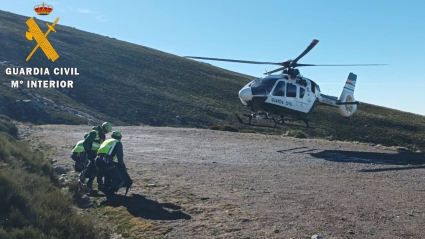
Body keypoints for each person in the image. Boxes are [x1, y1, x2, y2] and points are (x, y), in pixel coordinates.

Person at [95, 131, 132, 200]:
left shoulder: (107, 141)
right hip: (106, 160)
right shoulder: (117, 143)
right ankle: (111, 191)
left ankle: (107, 192)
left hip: (97, 159)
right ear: (120, 138)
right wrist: (122, 166)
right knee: (116, 176)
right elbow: (120, 157)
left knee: (107, 175)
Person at [79, 122, 112, 190]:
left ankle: (93, 184)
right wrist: (89, 152)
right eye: (106, 131)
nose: (106, 133)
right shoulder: (94, 133)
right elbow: (86, 142)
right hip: (90, 154)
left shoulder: (102, 135)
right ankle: (83, 183)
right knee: (90, 169)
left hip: (97, 154)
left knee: (96, 170)